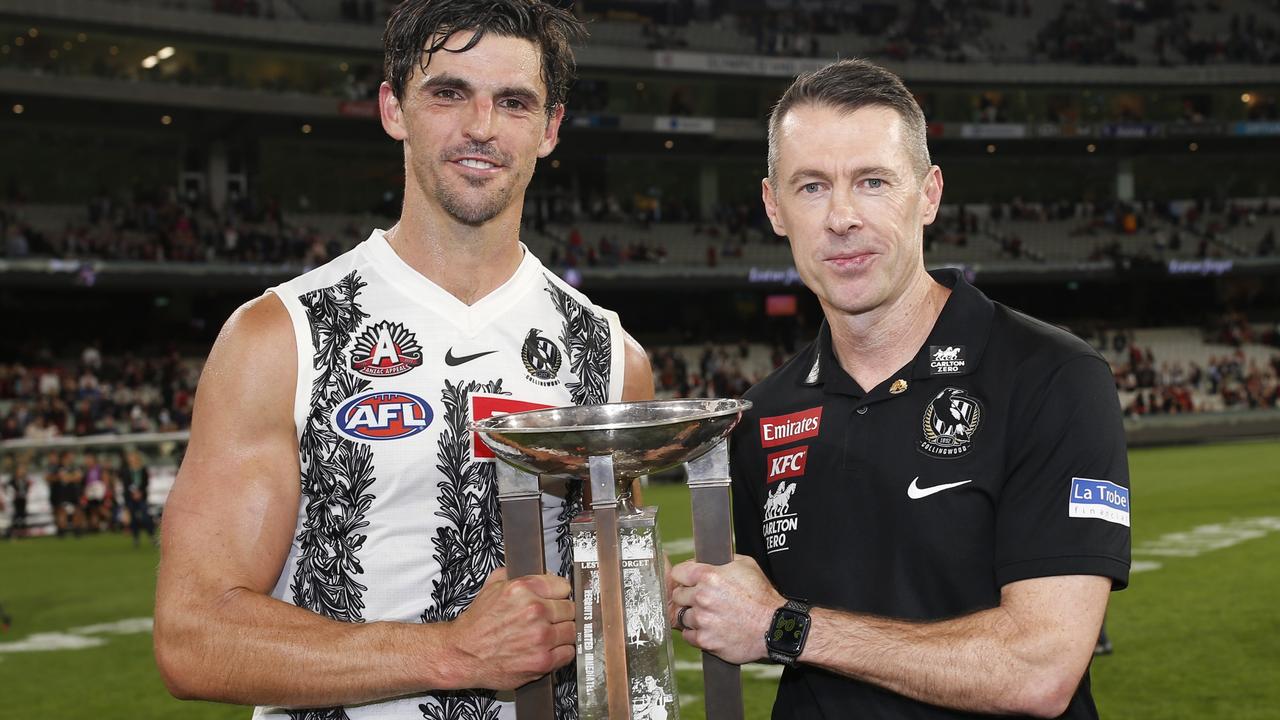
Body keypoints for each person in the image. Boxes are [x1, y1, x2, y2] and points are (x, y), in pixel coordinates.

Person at [153, 2, 653, 719]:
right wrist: (449, 652)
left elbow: (611, 629)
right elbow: (192, 637)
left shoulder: (610, 357)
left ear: (549, 130)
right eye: (449, 93)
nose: (481, 127)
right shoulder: (281, 337)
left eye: (513, 102)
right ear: (394, 109)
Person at [669, 59, 1130, 719]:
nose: (842, 217)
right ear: (774, 207)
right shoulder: (763, 416)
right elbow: (752, 612)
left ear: (930, 193)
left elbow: (1040, 668)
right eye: (812, 186)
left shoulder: (1051, 377)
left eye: (873, 181)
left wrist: (784, 628)